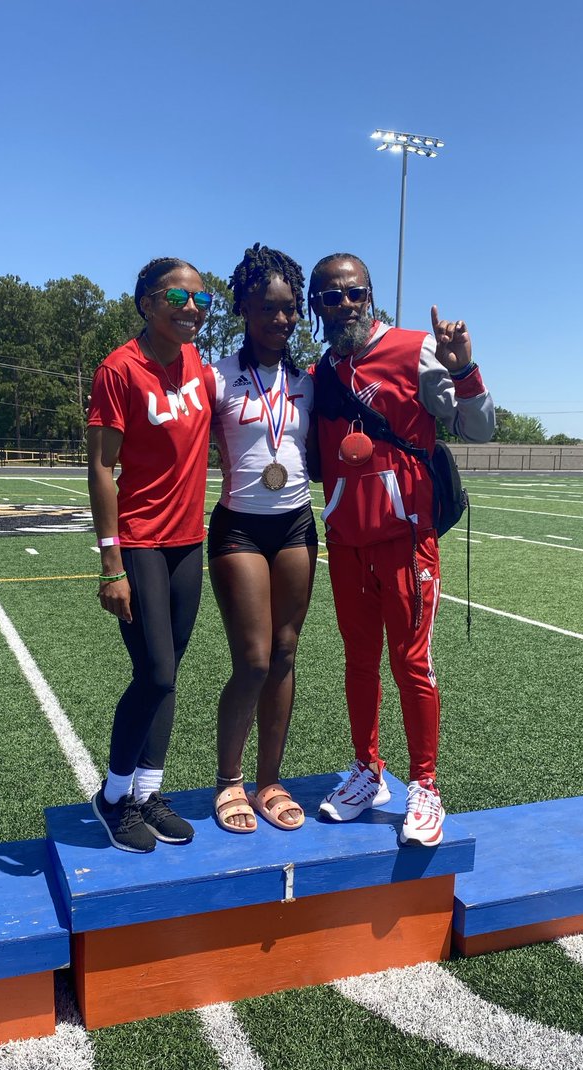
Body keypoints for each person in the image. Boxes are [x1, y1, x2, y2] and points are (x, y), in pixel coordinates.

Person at [308, 253, 495, 845]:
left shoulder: (414, 350)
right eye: (329, 298)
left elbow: (479, 429)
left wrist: (466, 371)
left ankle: (426, 786)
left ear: (369, 296)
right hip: (345, 542)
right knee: (358, 663)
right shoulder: (320, 372)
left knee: (411, 664)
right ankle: (368, 770)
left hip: (406, 542)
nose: (342, 306)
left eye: (352, 294)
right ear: (316, 307)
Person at [87, 257, 214, 853]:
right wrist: (110, 562)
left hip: (189, 540)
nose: (191, 308)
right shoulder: (119, 368)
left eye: (201, 299)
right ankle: (113, 796)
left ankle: (148, 792)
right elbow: (101, 467)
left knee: (169, 678)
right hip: (139, 540)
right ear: (145, 302)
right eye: (177, 297)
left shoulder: (202, 369)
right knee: (156, 672)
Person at [208, 245, 316, 834]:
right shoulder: (217, 376)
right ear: (244, 307)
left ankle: (270, 780)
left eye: (290, 309)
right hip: (240, 526)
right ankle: (230, 780)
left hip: (297, 523)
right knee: (251, 661)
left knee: (284, 654)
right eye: (269, 308)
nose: (281, 319)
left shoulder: (308, 380)